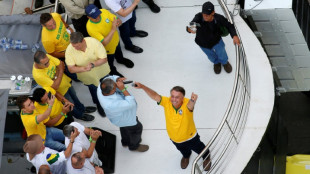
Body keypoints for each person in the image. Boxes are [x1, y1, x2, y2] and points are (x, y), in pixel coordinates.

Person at [135, 83, 211, 170]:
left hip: (190, 138)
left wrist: (193, 100)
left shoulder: (187, 103)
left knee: (200, 149)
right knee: (183, 150)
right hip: (175, 139)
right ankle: (186, 156)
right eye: (172, 96)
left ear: (183, 98)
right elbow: (155, 96)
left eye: (177, 97)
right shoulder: (167, 101)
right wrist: (142, 87)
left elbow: (190, 106)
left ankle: (206, 156)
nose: (174, 99)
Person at [33, 51, 96, 121]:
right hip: (60, 91)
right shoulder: (38, 75)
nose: (48, 64)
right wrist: (59, 71)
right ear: (38, 64)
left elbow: (61, 64)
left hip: (66, 82)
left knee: (75, 97)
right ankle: (80, 115)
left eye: (48, 61)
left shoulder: (46, 57)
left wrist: (56, 77)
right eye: (45, 64)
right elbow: (55, 86)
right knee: (70, 104)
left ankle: (82, 109)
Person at [97, 76, 149, 152]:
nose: (117, 86)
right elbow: (132, 103)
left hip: (119, 119)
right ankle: (134, 146)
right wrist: (123, 89)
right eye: (115, 87)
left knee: (124, 128)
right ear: (111, 91)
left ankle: (125, 142)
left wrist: (116, 79)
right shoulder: (111, 104)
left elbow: (108, 77)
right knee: (137, 128)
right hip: (126, 119)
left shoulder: (101, 87)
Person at [187, 1, 240, 74]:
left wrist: (234, 35)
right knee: (210, 55)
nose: (205, 16)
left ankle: (224, 62)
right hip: (203, 43)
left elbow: (229, 25)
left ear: (213, 13)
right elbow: (192, 24)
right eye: (203, 14)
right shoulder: (198, 17)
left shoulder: (219, 18)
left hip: (217, 41)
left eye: (207, 15)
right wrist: (189, 29)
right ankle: (216, 63)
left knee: (222, 52)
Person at [65, 32, 110, 117]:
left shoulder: (94, 43)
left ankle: (108, 99)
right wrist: (83, 69)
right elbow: (71, 69)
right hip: (88, 77)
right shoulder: (69, 50)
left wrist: (93, 65)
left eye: (77, 46)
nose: (75, 48)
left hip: (102, 72)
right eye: (73, 46)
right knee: (94, 90)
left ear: (83, 41)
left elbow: (104, 59)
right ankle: (99, 104)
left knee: (106, 86)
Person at [85, 4, 134, 73]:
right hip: (107, 48)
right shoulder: (90, 28)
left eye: (98, 14)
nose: (98, 17)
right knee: (110, 60)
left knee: (118, 50)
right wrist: (113, 29)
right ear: (88, 17)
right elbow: (104, 43)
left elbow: (117, 19)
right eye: (95, 17)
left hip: (116, 39)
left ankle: (120, 59)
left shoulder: (103, 11)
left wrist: (118, 22)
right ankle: (112, 70)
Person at [40, 13, 78, 81]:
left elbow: (61, 19)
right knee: (75, 75)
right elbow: (52, 53)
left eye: (54, 23)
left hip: (72, 43)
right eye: (50, 26)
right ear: (43, 26)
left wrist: (68, 27)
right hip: (64, 53)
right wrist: (66, 55)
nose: (54, 26)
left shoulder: (55, 16)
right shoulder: (46, 40)